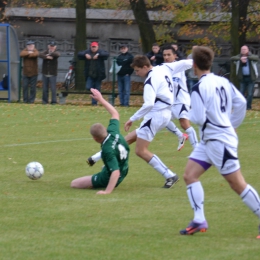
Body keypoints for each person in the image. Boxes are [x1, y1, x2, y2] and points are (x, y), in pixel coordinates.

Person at [179, 46, 260, 238]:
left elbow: (198, 118)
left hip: (218, 141)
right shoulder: (223, 80)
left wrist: (184, 112)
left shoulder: (199, 87)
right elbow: (240, 102)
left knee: (237, 184)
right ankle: (199, 219)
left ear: (194, 65)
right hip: (210, 140)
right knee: (190, 175)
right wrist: (231, 124)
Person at [71, 88, 130, 194]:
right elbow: (115, 114)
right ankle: (106, 169)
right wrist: (101, 99)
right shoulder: (113, 131)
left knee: (74, 183)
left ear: (95, 139)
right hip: (125, 168)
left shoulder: (107, 149)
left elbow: (115, 172)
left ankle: (105, 178)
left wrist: (107, 192)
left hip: (112, 176)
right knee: (110, 164)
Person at [163, 45, 198, 150]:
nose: (166, 57)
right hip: (171, 102)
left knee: (184, 124)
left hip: (181, 100)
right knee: (163, 120)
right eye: (164, 55)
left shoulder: (178, 66)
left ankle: (197, 150)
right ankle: (180, 136)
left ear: (175, 56)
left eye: (169, 55)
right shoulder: (164, 68)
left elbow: (174, 84)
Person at [230, 45, 259, 110]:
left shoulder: (251, 57)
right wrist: (240, 59)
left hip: (251, 78)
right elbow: (232, 58)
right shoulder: (238, 57)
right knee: (241, 93)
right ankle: (241, 106)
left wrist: (247, 58)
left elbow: (256, 58)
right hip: (242, 78)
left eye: (245, 49)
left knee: (250, 93)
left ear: (248, 50)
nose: (243, 51)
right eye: (242, 49)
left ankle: (248, 107)